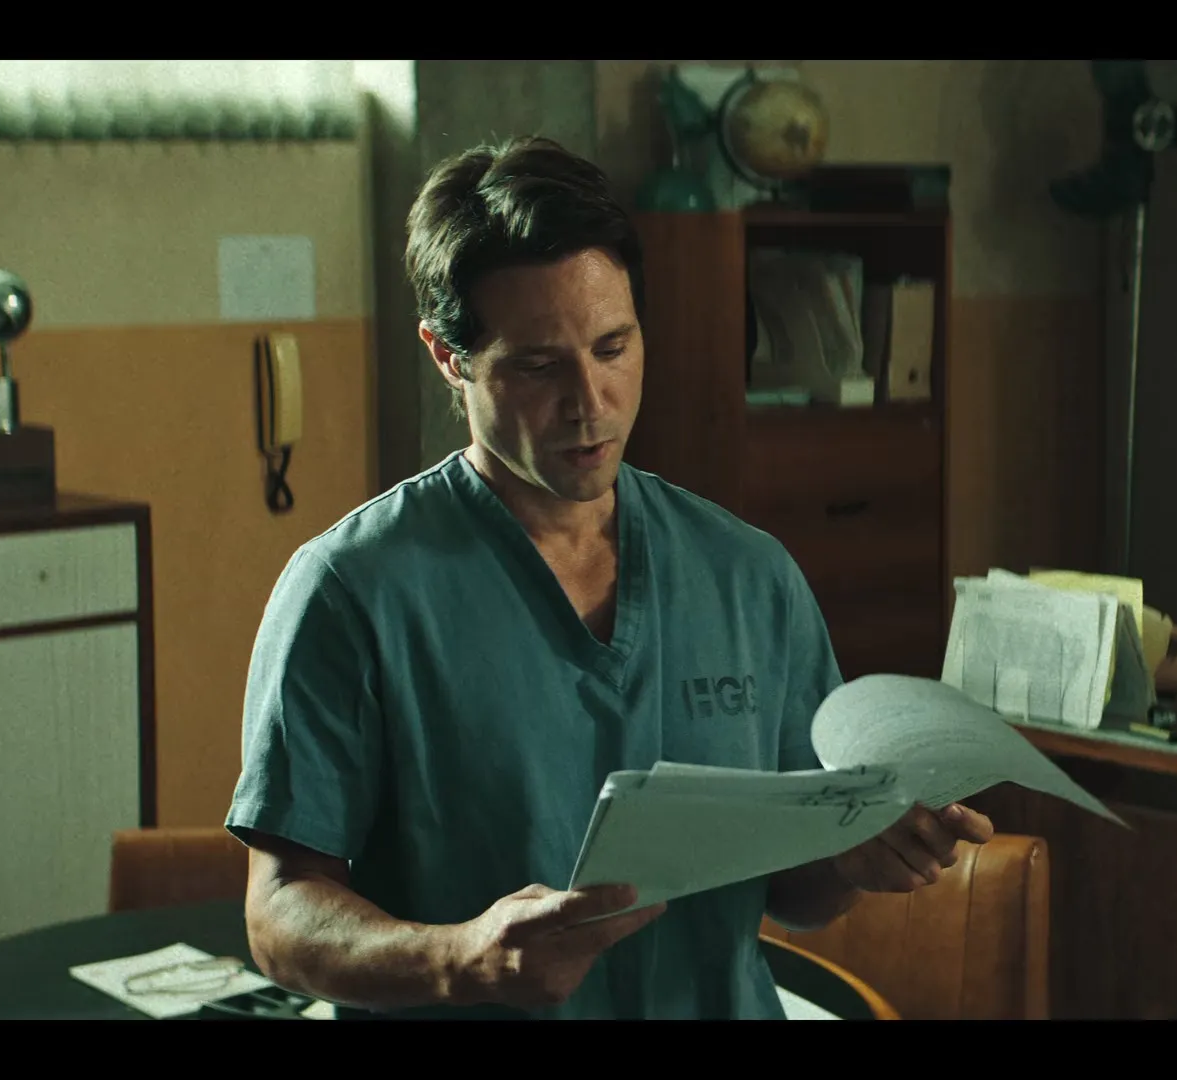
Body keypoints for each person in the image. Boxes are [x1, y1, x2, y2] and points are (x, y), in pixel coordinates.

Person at [225, 136, 994, 1020]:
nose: (590, 402)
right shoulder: (353, 591)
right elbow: (279, 914)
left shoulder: (746, 576)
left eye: (612, 347)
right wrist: (459, 960)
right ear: (448, 356)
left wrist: (858, 857)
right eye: (538, 365)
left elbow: (800, 892)